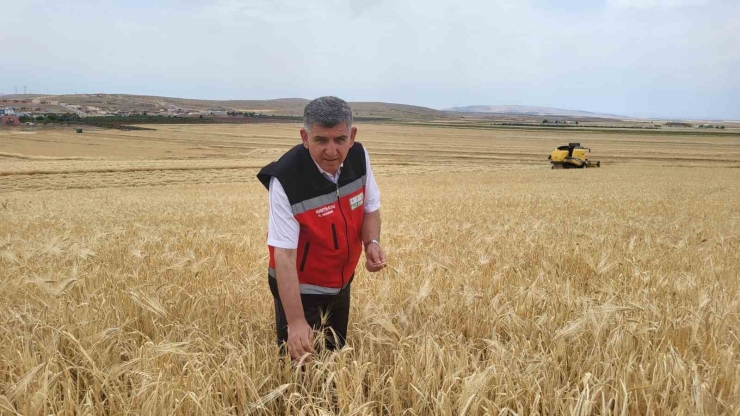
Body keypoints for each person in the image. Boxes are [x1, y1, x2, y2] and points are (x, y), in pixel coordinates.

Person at [257, 96, 387, 362]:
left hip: (340, 282)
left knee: (335, 356)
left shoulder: (359, 158)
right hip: (300, 288)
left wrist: (371, 242)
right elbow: (284, 255)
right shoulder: (286, 179)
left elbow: (370, 207)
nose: (332, 150)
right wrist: (295, 321)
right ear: (305, 137)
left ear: (352, 136)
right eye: (321, 140)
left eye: (340, 140)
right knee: (302, 368)